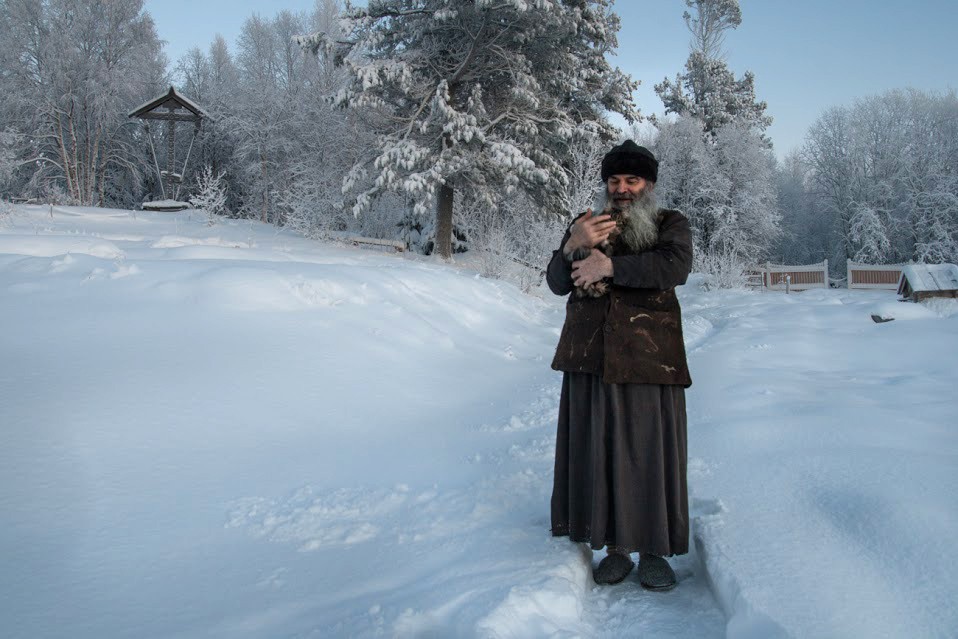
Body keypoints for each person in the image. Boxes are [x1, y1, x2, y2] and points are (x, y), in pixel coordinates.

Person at [546, 140, 693, 590]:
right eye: (614, 180)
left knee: (648, 453)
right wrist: (574, 243)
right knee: (601, 450)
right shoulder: (586, 224)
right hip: (591, 356)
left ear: (647, 184)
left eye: (632, 180)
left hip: (649, 357)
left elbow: (674, 266)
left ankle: (653, 551)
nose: (622, 188)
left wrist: (609, 265)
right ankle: (614, 548)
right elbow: (555, 283)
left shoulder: (670, 224)